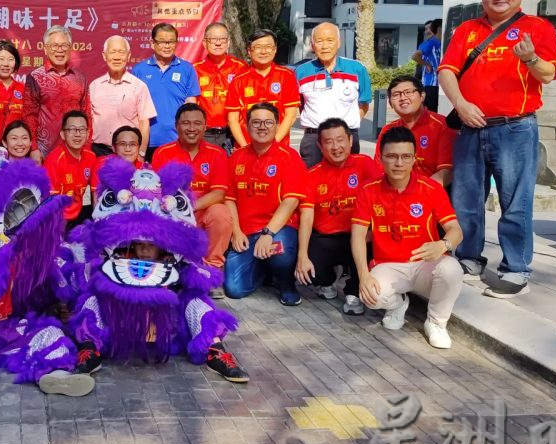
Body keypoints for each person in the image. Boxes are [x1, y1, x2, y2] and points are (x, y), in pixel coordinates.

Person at [438, 0, 556, 299]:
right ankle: (468, 259)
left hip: (515, 130)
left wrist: (529, 59)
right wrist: (461, 105)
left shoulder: (536, 29)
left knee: (515, 202)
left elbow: (550, 74)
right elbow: (447, 71)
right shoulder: (467, 30)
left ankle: (516, 268)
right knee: (466, 200)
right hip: (469, 128)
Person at [351, 126, 464, 349]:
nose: (399, 163)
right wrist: (363, 275)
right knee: (370, 296)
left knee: (452, 269)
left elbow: (456, 230)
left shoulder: (431, 188)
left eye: (405, 157)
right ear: (381, 159)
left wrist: (442, 245)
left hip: (425, 264)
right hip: (389, 265)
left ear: (414, 158)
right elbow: (357, 236)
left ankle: (436, 323)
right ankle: (396, 305)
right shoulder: (368, 190)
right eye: (392, 156)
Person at [296, 118, 383, 315]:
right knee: (310, 272)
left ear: (350, 141)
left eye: (340, 140)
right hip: (326, 236)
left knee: (367, 244)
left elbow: (382, 198)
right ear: (320, 145)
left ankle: (353, 291)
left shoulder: (365, 164)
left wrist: (373, 231)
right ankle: (327, 280)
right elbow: (307, 217)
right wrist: (302, 255)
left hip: (360, 234)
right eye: (329, 142)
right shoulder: (312, 175)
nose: (336, 147)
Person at [224, 104, 307, 303]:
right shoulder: (236, 157)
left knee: (281, 254)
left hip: (278, 230)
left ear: (277, 125)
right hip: (246, 233)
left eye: (268, 122)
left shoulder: (289, 157)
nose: (263, 127)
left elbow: (291, 200)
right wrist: (236, 231)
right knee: (234, 289)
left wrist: (268, 233)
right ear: (247, 125)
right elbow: (229, 198)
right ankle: (263, 270)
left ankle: (285, 283)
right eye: (257, 122)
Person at [151, 104, 233, 284]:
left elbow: (219, 193)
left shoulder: (217, 154)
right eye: (186, 123)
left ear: (205, 127)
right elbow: (156, 192)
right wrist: (180, 212)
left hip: (204, 215)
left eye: (197, 123)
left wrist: (189, 207)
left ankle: (212, 270)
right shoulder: (162, 153)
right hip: (173, 216)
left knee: (221, 213)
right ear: (176, 126)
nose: (191, 128)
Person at [294, 22, 373, 167]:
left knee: (348, 184)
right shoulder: (301, 72)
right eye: (319, 41)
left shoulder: (357, 69)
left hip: (347, 137)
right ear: (312, 45)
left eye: (330, 40)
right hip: (313, 139)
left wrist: (347, 127)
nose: (325, 46)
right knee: (311, 184)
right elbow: (300, 104)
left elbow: (364, 104)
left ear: (338, 42)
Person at [131, 23, 200, 157]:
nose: (167, 46)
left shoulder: (187, 68)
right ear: (152, 43)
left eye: (171, 42)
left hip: (177, 141)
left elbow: (191, 106)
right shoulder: (139, 70)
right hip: (147, 142)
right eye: (162, 41)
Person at [24, 25, 90, 161]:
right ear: (45, 49)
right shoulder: (35, 77)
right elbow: (29, 115)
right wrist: (34, 148)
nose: (59, 50)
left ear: (71, 48)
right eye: (54, 46)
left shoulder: (80, 77)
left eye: (64, 45)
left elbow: (86, 114)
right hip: (44, 152)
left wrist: (87, 146)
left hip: (75, 150)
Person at [226, 29, 300, 150]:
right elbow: (232, 119)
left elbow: (290, 116)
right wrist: (245, 148)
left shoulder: (287, 76)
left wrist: (273, 144)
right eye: (258, 47)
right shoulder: (238, 80)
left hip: (278, 148)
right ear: (249, 51)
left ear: (275, 49)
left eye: (268, 47)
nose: (264, 51)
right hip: (246, 148)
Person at [376, 77, 456, 186]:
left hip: (431, 192)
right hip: (394, 194)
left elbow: (447, 172)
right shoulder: (388, 130)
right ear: (390, 103)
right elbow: (379, 169)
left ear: (422, 96)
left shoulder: (441, 125)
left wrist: (417, 193)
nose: (403, 98)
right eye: (396, 95)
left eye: (408, 92)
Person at [89, 35, 154, 158]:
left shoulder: (139, 86)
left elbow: (144, 123)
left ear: (128, 55)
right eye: (113, 52)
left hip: (128, 153)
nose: (117, 57)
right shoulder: (94, 86)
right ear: (104, 56)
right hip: (98, 152)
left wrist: (141, 153)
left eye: (121, 52)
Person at [194, 22, 249, 152]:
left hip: (232, 133)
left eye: (222, 39)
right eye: (213, 39)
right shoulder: (194, 69)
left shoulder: (241, 68)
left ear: (228, 42)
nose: (218, 43)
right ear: (204, 43)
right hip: (204, 134)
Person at [44, 110, 98, 228]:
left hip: (80, 213)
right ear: (63, 134)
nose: (77, 134)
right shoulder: (54, 160)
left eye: (82, 130)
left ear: (88, 133)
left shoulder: (91, 157)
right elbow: (50, 203)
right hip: (59, 218)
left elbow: (95, 192)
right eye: (72, 129)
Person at [412, 18, 443, 112]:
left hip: (440, 85)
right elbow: (415, 56)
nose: (428, 31)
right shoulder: (429, 43)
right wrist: (427, 64)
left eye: (430, 28)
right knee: (431, 112)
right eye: (426, 29)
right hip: (431, 84)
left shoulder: (441, 43)